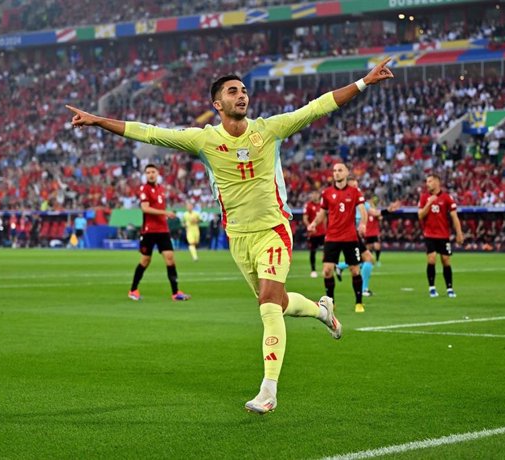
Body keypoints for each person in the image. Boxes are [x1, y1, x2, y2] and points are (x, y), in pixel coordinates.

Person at [66, 57, 394, 414]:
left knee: (268, 307)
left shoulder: (270, 129)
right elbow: (150, 132)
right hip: (238, 238)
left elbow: (318, 107)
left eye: (243, 90)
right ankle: (322, 311)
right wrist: (99, 121)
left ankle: (269, 389)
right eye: (232, 91)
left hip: (274, 230)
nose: (242, 96)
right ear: (217, 104)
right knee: (279, 304)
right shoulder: (203, 140)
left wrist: (363, 82)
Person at [308, 165, 368, 312]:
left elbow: (362, 210)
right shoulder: (327, 193)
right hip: (332, 237)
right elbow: (322, 213)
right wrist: (314, 223)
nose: (336, 173)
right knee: (327, 271)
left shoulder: (355, 192)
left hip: (350, 237)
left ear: (347, 173)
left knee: (355, 270)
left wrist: (363, 224)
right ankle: (331, 303)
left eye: (340, 170)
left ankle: (359, 302)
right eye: (334, 171)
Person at [128, 164, 191, 302]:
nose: (150, 174)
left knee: (170, 258)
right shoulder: (144, 189)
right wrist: (165, 212)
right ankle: (133, 290)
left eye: (153, 172)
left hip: (163, 229)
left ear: (157, 173)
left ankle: (175, 293)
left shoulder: (161, 189)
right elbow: (145, 208)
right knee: (145, 261)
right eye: (148, 172)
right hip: (149, 231)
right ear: (145, 175)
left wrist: (165, 215)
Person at [418, 173, 464, 298]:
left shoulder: (447, 198)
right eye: (426, 181)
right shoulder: (424, 197)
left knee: (446, 260)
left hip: (443, 235)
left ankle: (449, 288)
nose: (427, 184)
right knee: (431, 258)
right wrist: (429, 203)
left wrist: (459, 233)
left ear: (437, 182)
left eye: (430, 181)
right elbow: (420, 215)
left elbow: (454, 217)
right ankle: (432, 288)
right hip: (430, 234)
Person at [302, 191, 326, 278]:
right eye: (313, 194)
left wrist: (326, 229)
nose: (314, 195)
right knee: (313, 251)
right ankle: (313, 270)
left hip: (322, 232)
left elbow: (325, 218)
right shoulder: (308, 205)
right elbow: (305, 218)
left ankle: (325, 269)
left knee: (326, 251)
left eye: (315, 194)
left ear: (318, 195)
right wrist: (310, 227)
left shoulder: (322, 205)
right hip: (313, 233)